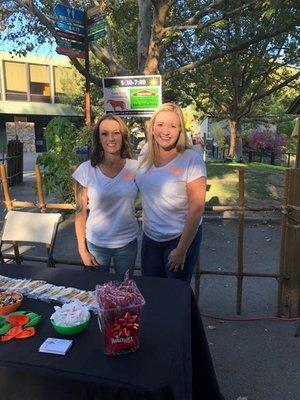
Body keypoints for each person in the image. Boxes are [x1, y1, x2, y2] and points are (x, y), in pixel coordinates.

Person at [136, 103, 207, 283]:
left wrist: (182, 249)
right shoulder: (145, 153)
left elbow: (197, 208)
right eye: (160, 125)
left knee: (175, 295)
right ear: (152, 128)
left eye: (173, 126)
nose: (165, 131)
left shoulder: (192, 159)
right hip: (150, 237)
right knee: (151, 290)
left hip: (179, 237)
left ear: (180, 130)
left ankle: (189, 313)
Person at [72, 114, 139, 275]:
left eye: (116, 133)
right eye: (105, 133)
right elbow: (80, 212)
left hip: (127, 243)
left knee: (124, 292)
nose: (111, 138)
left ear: (123, 136)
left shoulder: (136, 168)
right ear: (98, 138)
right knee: (94, 292)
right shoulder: (86, 170)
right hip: (96, 244)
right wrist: (83, 250)